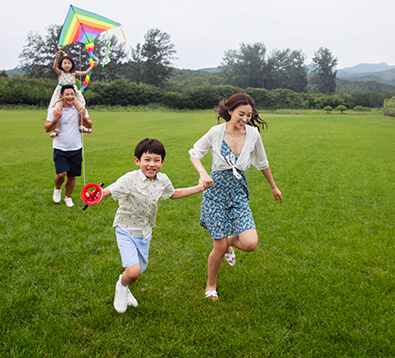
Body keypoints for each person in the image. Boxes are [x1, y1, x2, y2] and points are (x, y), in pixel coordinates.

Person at [93, 138, 205, 313]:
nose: (152, 164)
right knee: (133, 271)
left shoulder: (163, 180)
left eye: (156, 160)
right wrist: (97, 195)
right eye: (147, 159)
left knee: (137, 272)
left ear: (162, 162)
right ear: (137, 161)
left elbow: (173, 194)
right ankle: (121, 287)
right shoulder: (130, 179)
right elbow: (109, 191)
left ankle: (126, 289)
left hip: (145, 233)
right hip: (126, 230)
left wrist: (198, 188)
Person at [189, 93, 283, 301]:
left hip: (238, 192)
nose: (245, 119)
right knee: (218, 246)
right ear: (230, 111)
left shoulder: (253, 134)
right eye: (241, 114)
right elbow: (195, 153)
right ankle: (211, 285)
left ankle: (229, 242)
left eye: (249, 115)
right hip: (215, 191)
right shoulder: (216, 132)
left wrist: (273, 187)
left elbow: (262, 162)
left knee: (250, 243)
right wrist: (203, 174)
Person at [44, 84, 92, 207]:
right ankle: (57, 188)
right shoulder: (55, 110)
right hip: (60, 147)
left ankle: (68, 197)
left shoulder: (79, 109)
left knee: (72, 176)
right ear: (61, 96)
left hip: (76, 147)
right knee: (61, 174)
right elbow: (47, 128)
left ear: (75, 96)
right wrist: (56, 119)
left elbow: (89, 125)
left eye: (72, 94)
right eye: (67, 94)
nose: (70, 97)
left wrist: (82, 117)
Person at [48, 52, 97, 138]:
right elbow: (54, 67)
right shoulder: (61, 73)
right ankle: (56, 129)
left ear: (72, 65)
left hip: (72, 93)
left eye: (69, 63)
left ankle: (81, 126)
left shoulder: (74, 73)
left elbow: (85, 73)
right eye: (65, 63)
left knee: (81, 107)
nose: (67, 65)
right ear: (62, 65)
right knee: (57, 109)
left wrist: (92, 66)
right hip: (61, 94)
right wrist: (56, 58)